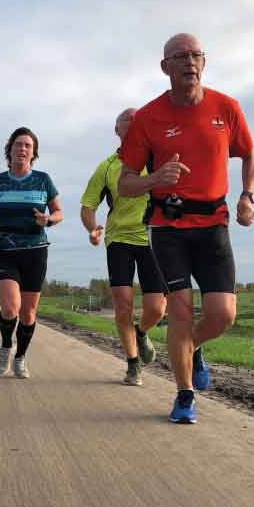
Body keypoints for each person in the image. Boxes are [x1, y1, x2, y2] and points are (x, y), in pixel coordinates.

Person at [118, 33, 254, 423]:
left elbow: (249, 154)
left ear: (204, 61)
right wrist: (155, 178)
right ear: (165, 67)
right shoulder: (147, 119)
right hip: (169, 226)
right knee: (179, 312)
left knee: (223, 314)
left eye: (195, 54)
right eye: (179, 56)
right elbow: (125, 182)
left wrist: (247, 195)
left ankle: (190, 348)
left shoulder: (226, 107)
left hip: (214, 223)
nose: (189, 62)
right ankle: (184, 395)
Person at [80, 108, 167, 386]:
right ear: (117, 131)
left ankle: (141, 333)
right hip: (118, 239)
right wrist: (92, 227)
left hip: (152, 237)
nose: (132, 125)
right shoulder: (106, 167)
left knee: (156, 308)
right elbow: (88, 206)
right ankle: (132, 364)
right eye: (126, 122)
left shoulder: (157, 158)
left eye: (137, 121)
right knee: (123, 306)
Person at [0, 127, 64, 379]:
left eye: (28, 146)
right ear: (10, 149)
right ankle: (7, 345)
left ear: (33, 153)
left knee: (28, 313)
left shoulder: (43, 180)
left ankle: (20, 356)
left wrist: (48, 221)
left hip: (35, 251)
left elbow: (59, 212)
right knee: (10, 307)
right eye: (18, 144)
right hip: (4, 249)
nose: (23, 149)